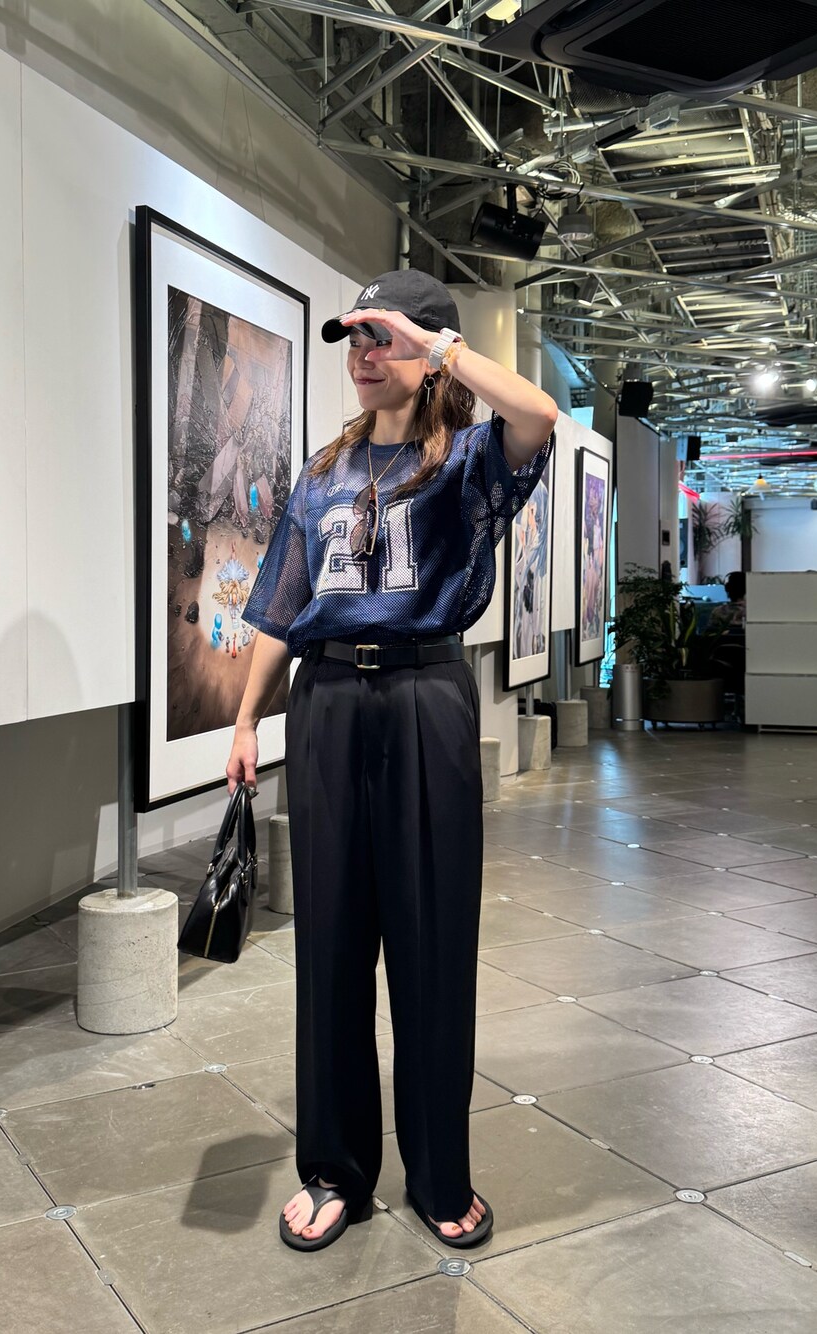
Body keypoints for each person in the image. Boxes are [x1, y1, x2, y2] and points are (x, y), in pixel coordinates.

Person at [225, 269, 558, 1253]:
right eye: (355, 340)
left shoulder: (469, 461)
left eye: (382, 337)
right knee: (329, 943)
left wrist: (442, 347)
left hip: (425, 697)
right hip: (326, 702)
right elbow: (282, 607)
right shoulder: (323, 472)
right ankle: (335, 1168)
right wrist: (245, 722)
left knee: (432, 946)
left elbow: (539, 413)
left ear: (429, 348)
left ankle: (440, 1171)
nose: (364, 356)